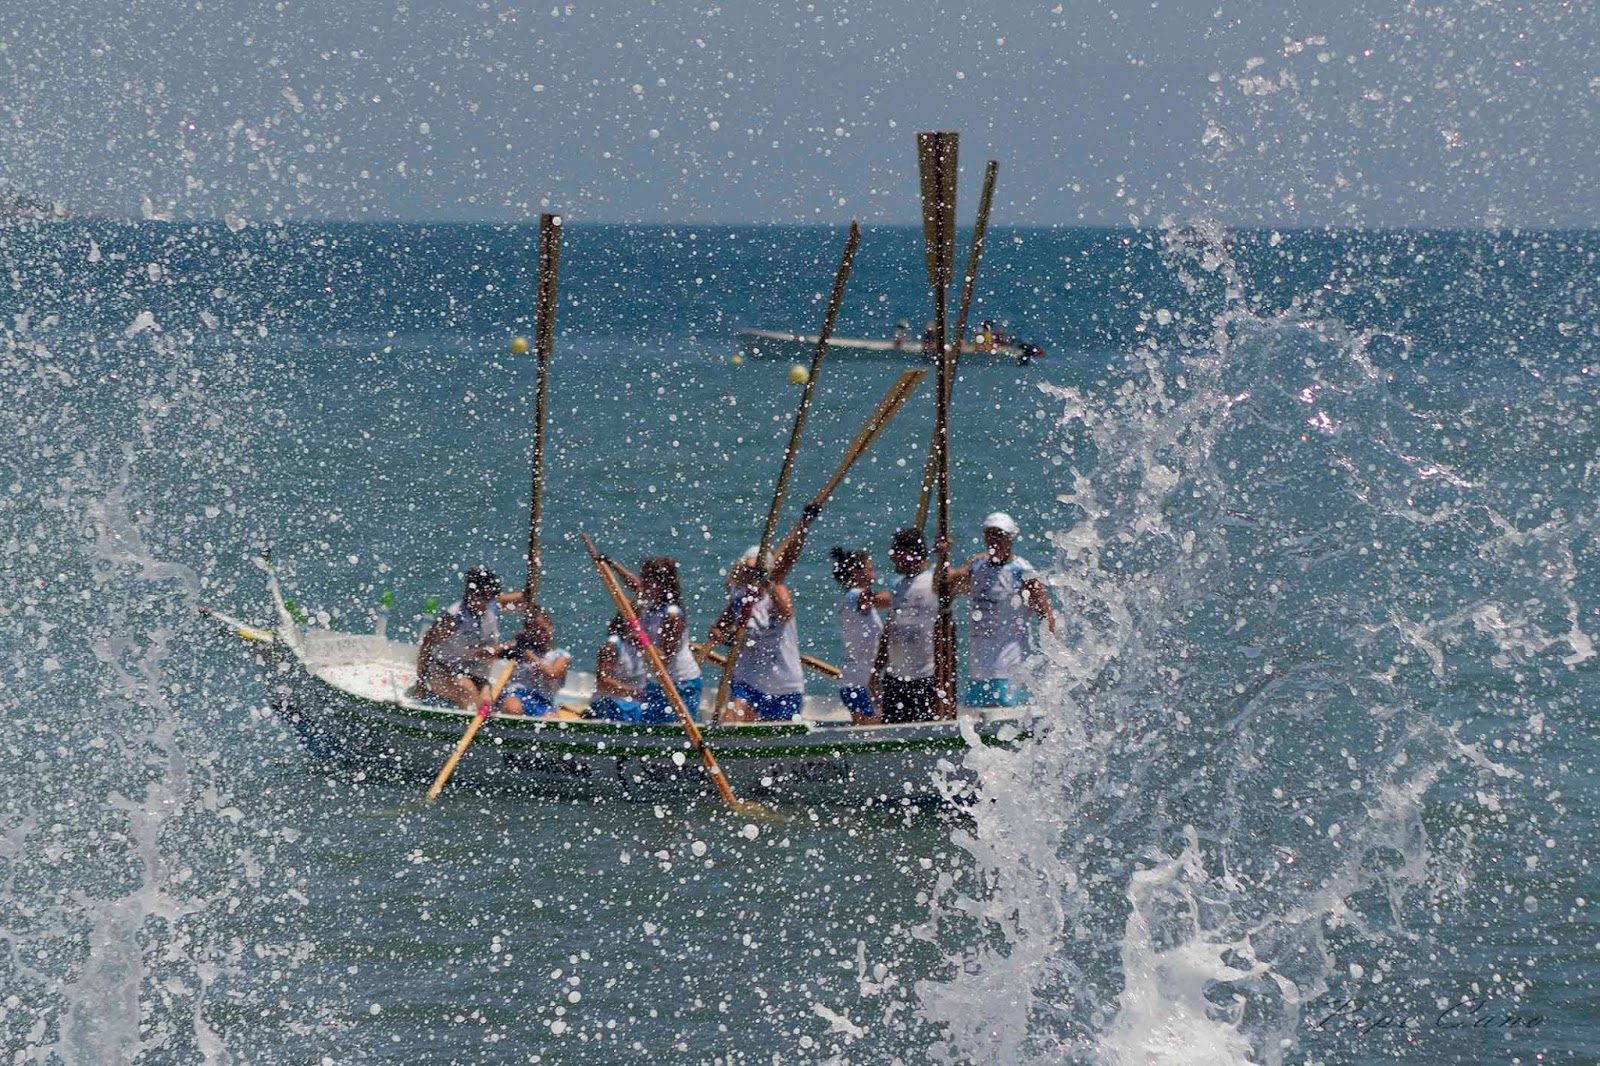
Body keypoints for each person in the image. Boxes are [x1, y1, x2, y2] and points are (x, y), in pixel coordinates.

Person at [707, 502, 821, 722]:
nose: (750, 575)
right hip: (747, 680)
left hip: (783, 683)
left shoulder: (777, 592)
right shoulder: (739, 598)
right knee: (732, 720)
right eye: (747, 569)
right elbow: (717, 629)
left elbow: (785, 612)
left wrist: (804, 524)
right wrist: (724, 635)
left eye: (755, 571)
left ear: (766, 573)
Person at [948, 512, 1055, 707]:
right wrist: (943, 553)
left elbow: (1046, 615)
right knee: (977, 713)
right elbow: (945, 589)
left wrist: (1052, 657)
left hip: (1009, 664)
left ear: (1011, 538)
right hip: (978, 666)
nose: (994, 540)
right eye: (990, 535)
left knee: (1005, 712)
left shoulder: (1023, 571)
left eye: (999, 535)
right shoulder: (976, 566)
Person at [606, 555, 702, 723]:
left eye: (647, 580)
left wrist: (639, 640)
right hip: (655, 682)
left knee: (673, 732)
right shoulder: (649, 602)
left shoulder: (672, 615)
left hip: (681, 684)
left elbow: (664, 658)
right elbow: (634, 584)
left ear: (662, 585)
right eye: (643, 578)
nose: (643, 584)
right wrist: (611, 564)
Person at [414, 567, 525, 709]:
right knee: (467, 690)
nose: (481, 600)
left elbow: (528, 596)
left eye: (487, 596)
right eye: (476, 594)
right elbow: (427, 644)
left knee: (486, 702)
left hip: (476, 676)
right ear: (469, 593)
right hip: (443, 672)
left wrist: (533, 563)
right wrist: (421, 682)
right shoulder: (453, 617)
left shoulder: (493, 606)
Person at [870, 528, 944, 723]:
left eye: (896, 553)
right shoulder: (898, 585)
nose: (893, 559)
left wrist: (943, 553)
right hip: (894, 678)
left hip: (925, 677)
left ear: (909, 553)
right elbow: (889, 631)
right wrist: (876, 670)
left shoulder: (935, 579)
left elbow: (955, 578)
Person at [830, 546, 889, 724]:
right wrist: (909, 593)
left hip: (854, 680)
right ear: (856, 572)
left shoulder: (850, 599)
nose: (874, 575)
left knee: (866, 731)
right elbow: (877, 599)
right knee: (874, 732)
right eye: (870, 569)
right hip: (863, 682)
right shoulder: (855, 597)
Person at [496, 605, 571, 717]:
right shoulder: (518, 648)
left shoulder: (562, 656)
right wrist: (510, 645)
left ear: (551, 627)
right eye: (535, 632)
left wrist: (529, 654)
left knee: (552, 720)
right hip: (516, 694)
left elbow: (552, 674)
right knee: (513, 708)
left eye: (543, 630)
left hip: (543, 701)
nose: (540, 635)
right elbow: (487, 654)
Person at [587, 613, 648, 722]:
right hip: (610, 705)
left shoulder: (641, 645)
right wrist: (633, 692)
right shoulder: (612, 644)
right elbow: (603, 681)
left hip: (634, 704)